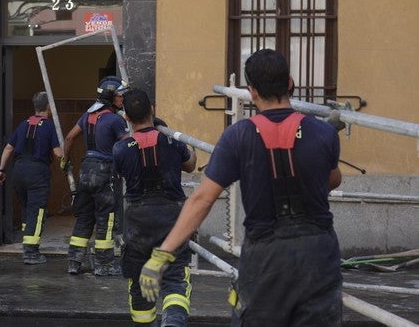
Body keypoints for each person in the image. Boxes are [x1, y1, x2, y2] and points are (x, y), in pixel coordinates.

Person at [139, 49, 343, 326]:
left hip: (266, 257)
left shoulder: (238, 137)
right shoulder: (324, 133)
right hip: (319, 254)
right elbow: (332, 180)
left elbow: (202, 199)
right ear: (290, 83)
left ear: (252, 91)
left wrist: (163, 254)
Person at [113, 88, 196, 326]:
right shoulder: (172, 141)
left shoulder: (120, 149)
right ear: (152, 110)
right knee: (175, 280)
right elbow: (190, 165)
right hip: (171, 218)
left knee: (140, 284)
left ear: (126, 117)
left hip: (137, 220)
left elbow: (120, 172)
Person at [62, 76, 130, 276]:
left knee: (84, 217)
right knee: (106, 220)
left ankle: (74, 262)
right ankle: (104, 264)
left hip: (85, 170)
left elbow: (69, 137)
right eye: (119, 96)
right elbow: (127, 146)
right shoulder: (114, 120)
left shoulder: (88, 116)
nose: (122, 99)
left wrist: (65, 160)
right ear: (110, 97)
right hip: (105, 172)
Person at [0, 91, 62, 264]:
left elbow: (8, 148)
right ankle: (31, 252)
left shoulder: (23, 124)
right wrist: (65, 160)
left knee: (27, 209)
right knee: (37, 211)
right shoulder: (48, 126)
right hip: (37, 172)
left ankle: (28, 243)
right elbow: (57, 153)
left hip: (18, 171)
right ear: (48, 107)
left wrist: (1, 170)